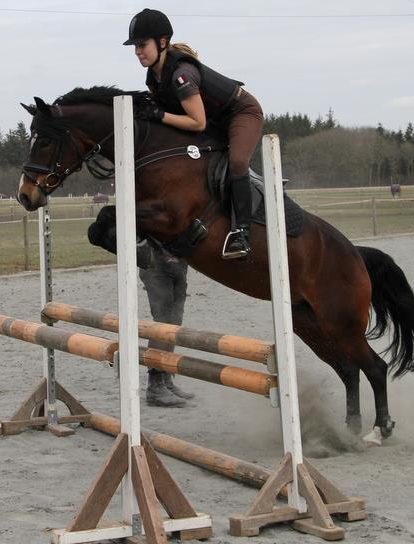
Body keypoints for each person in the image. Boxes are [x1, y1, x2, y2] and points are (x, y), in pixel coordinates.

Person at [124, 8, 264, 260]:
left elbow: (196, 123)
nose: (137, 51)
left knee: (238, 161)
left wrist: (159, 115)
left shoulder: (181, 74)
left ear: (162, 42)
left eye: (142, 44)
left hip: (241, 113)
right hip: (214, 121)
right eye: (134, 46)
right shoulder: (153, 77)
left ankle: (242, 232)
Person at [139, 245, 195, 407]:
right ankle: (155, 386)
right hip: (156, 265)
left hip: (179, 265)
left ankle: (166, 380)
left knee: (175, 323)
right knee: (162, 323)